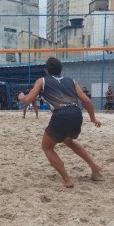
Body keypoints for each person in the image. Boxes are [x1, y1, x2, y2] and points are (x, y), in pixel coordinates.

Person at [22, 57, 102, 188]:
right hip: (77, 114)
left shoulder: (42, 80)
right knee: (68, 141)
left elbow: (27, 100)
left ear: (46, 70)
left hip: (61, 114)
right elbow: (86, 101)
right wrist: (93, 118)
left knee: (47, 147)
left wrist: (21, 97)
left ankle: (67, 179)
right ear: (60, 69)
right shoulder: (71, 81)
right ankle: (94, 166)